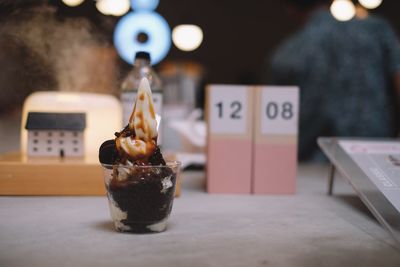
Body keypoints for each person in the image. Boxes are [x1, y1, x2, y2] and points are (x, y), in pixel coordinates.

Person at [268, 0, 400, 161]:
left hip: (313, 165)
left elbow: (276, 121)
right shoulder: (376, 30)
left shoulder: (287, 53)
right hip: (376, 160)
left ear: (290, 9)